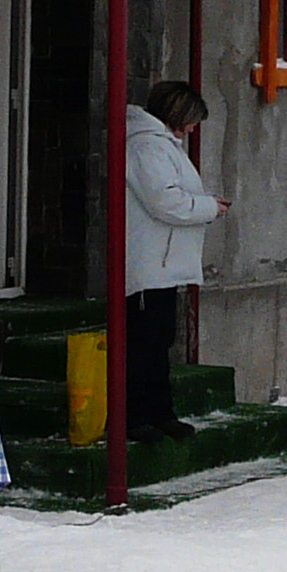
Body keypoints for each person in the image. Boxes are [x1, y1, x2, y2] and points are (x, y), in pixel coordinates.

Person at [126, 81, 228, 443]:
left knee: (159, 340)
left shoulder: (159, 145)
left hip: (162, 263)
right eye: (191, 121)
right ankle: (136, 416)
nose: (193, 129)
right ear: (177, 115)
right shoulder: (146, 146)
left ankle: (159, 413)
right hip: (150, 264)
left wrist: (205, 205)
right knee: (144, 344)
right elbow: (165, 201)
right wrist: (208, 208)